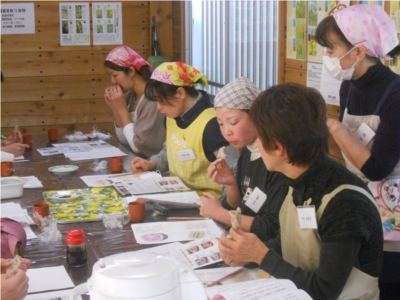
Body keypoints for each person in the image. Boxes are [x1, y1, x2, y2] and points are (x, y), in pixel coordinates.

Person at [219, 83, 383, 300]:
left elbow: (324, 291)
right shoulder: (295, 177)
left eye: (260, 137)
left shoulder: (344, 202)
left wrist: (260, 255)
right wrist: (245, 254)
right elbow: (288, 242)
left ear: (279, 148)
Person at [315, 5, 400, 299]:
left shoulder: (396, 94)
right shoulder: (348, 86)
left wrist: (335, 128)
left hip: (392, 213)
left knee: (386, 283)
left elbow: (377, 167)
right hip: (358, 201)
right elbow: (344, 155)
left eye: (330, 50)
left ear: (360, 52)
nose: (326, 58)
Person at [199, 77, 286, 240]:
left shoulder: (277, 160)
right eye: (221, 124)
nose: (227, 132)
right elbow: (240, 206)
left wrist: (221, 214)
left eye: (233, 122)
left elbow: (272, 227)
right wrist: (231, 184)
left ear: (257, 116)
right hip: (245, 240)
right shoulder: (246, 151)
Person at [130, 62, 232, 198]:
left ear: (180, 93)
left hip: (209, 204)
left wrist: (221, 210)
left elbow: (233, 172)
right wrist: (151, 163)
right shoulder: (173, 115)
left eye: (161, 101)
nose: (159, 108)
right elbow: (171, 150)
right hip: (179, 196)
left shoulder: (212, 125)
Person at [104, 45, 166, 158]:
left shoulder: (153, 98)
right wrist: (115, 107)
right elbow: (124, 139)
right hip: (137, 163)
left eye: (115, 75)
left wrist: (121, 109)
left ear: (131, 71)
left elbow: (138, 146)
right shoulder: (129, 95)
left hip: (156, 168)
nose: (113, 81)